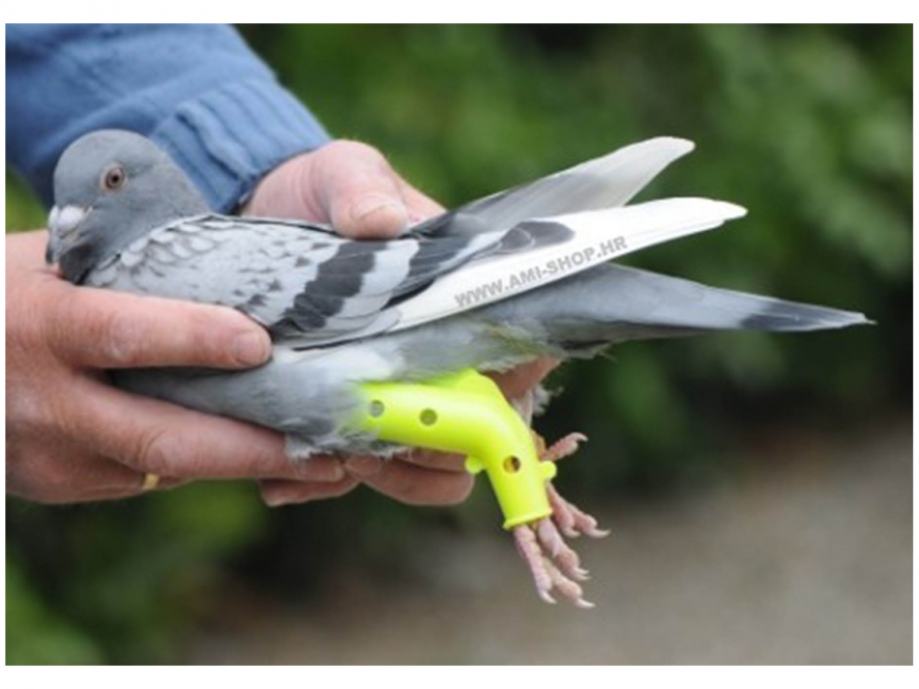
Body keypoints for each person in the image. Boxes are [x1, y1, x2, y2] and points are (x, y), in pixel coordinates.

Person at [6, 24, 553, 506]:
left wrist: (249, 170)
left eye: (112, 183)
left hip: (401, 294)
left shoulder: (160, 267)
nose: (65, 223)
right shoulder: (115, 263)